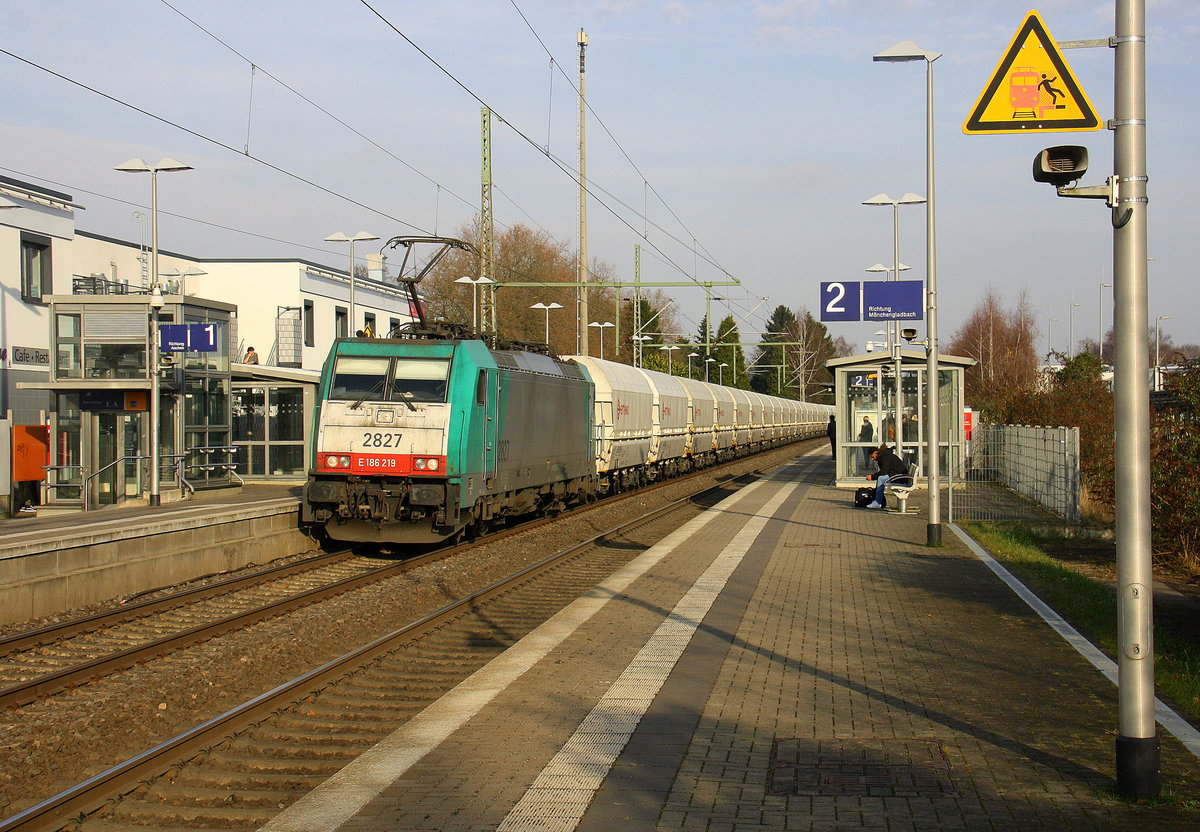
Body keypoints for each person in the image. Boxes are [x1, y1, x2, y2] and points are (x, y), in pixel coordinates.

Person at [863, 444, 909, 509]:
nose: (873, 459)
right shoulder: (885, 455)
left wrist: (872, 477)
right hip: (900, 476)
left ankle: (878, 502)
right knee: (881, 478)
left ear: (876, 453)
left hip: (900, 478)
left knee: (881, 478)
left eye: (873, 457)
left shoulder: (884, 457)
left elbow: (884, 471)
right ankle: (878, 500)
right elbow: (886, 471)